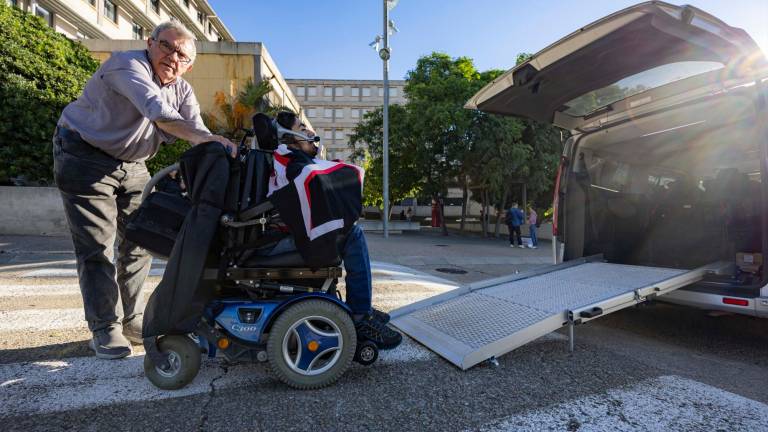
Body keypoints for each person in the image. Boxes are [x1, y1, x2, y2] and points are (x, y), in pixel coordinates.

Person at [53, 21, 237, 360]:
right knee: (96, 246)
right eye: (167, 46)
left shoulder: (182, 90)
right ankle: (105, 327)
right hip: (84, 153)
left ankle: (132, 319)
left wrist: (211, 155)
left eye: (182, 54)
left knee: (141, 238)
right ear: (150, 43)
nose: (173, 56)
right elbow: (159, 113)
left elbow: (196, 129)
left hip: (133, 163)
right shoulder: (128, 65)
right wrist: (207, 140)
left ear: (189, 65)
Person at [266, 111, 402, 349]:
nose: (309, 132)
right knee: (352, 233)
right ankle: (360, 315)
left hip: (287, 234)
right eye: (302, 127)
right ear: (288, 135)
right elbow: (311, 178)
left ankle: (361, 307)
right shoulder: (289, 160)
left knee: (347, 230)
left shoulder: (289, 159)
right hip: (287, 239)